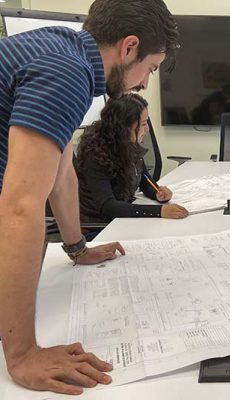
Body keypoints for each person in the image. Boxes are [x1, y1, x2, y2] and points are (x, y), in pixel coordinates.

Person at [0, 0, 179, 395]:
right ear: (129, 47)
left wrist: (78, 248)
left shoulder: (64, 50)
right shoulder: (67, 73)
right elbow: (20, 206)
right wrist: (23, 353)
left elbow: (62, 173)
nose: (146, 83)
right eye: (150, 68)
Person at [76, 94, 188, 224]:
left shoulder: (127, 143)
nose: (147, 129)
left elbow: (144, 179)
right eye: (144, 124)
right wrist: (159, 211)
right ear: (125, 126)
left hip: (123, 218)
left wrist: (156, 193)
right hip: (100, 226)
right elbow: (108, 206)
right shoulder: (95, 154)